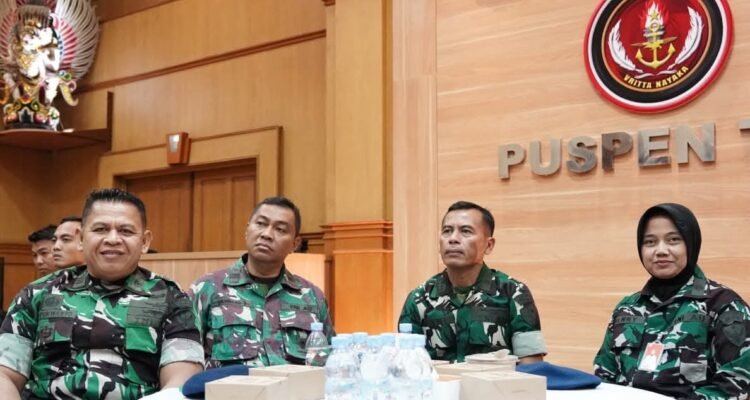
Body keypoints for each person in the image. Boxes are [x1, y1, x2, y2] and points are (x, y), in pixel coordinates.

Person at [0, 188, 203, 399]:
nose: (113, 239)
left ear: (144, 242)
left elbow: (182, 379)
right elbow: (4, 374)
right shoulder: (38, 294)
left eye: (126, 231)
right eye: (100, 229)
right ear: (81, 239)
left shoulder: (171, 298)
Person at [593, 203, 750, 398]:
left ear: (691, 244)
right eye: (650, 242)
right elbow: (604, 376)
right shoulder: (627, 308)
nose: (660, 250)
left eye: (673, 240)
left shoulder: (724, 305)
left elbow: (735, 386)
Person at [189, 196, 334, 368]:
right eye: (261, 224)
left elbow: (330, 361)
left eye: (280, 229)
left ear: (295, 244)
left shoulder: (312, 297)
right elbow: (186, 358)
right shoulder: (207, 289)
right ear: (247, 230)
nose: (266, 234)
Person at [399, 201, 547, 363]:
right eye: (447, 231)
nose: (453, 239)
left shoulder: (514, 293)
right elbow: (406, 366)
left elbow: (531, 367)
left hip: (496, 380)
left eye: (465, 231)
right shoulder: (419, 298)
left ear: (489, 245)